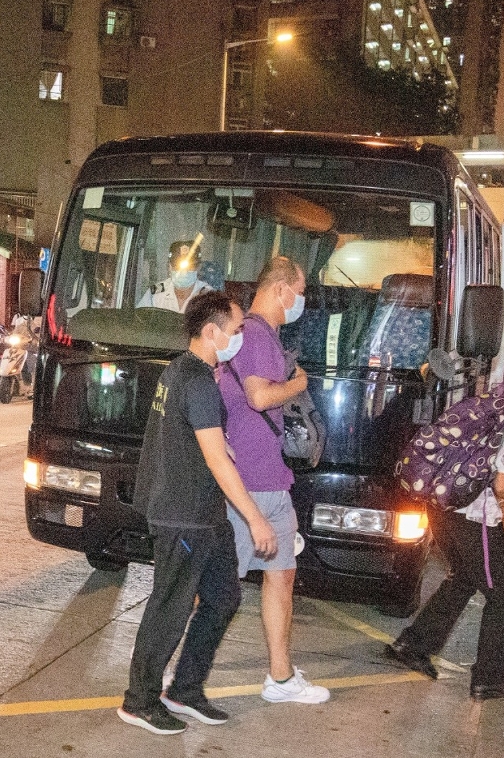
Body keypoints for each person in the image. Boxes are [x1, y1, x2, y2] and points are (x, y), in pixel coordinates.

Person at [119, 291, 278, 736]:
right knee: (169, 609)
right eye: (237, 329)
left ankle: (185, 690)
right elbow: (217, 461)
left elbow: (189, 434)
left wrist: (217, 444)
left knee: (224, 598)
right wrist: (256, 519)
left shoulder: (182, 371)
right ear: (211, 332)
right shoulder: (197, 381)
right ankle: (139, 701)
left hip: (206, 515)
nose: (241, 336)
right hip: (182, 515)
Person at [387, 353, 504, 700]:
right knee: (503, 596)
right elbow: (502, 485)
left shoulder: (497, 398)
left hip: (442, 502)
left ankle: (413, 645)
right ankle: (489, 678)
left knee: (464, 577)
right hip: (475, 516)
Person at [217, 256, 329, 705]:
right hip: (252, 483)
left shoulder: (255, 334)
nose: (300, 301)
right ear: (281, 290)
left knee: (281, 575)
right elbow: (260, 396)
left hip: (268, 478)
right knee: (216, 586)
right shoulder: (258, 334)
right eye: (299, 292)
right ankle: (169, 670)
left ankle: (281, 678)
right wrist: (299, 384)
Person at [137, 241, 213, 312]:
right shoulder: (155, 293)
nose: (184, 271)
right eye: (177, 265)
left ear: (199, 267)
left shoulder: (208, 296)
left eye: (190, 266)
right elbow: (139, 317)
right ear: (169, 266)